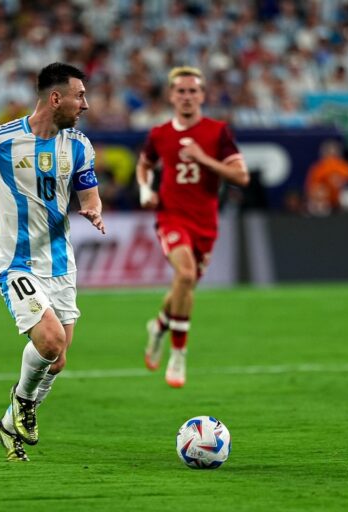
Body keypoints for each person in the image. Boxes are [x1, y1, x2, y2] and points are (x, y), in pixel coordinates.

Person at [0, 63, 105, 462]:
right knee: (50, 340)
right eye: (80, 96)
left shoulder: (79, 146)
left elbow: (89, 192)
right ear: (55, 97)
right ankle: (22, 404)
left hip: (60, 263)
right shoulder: (1, 139)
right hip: (16, 262)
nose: (86, 105)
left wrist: (93, 211)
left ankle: (8, 424)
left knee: (57, 361)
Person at [136, 66, 249, 388]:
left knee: (184, 287)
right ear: (171, 96)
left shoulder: (217, 132)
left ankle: (159, 325)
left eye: (192, 91)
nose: (186, 96)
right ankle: (179, 355)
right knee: (184, 275)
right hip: (171, 216)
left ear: (202, 95)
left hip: (206, 223)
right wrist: (146, 189)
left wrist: (204, 159)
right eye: (180, 91)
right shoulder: (159, 133)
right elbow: (144, 164)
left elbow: (241, 176)